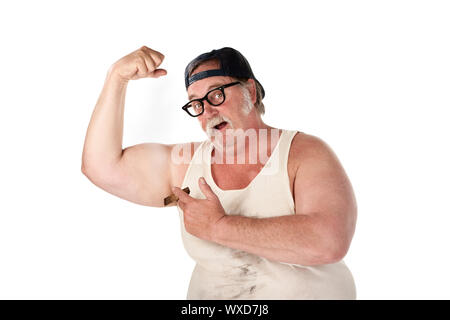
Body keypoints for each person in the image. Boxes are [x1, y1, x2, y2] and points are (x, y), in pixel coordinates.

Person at [81, 45, 357, 299]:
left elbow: (329, 241)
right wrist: (116, 78)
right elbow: (100, 166)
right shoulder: (184, 163)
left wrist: (219, 227)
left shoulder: (304, 153)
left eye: (216, 94)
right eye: (196, 104)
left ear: (250, 91)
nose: (208, 111)